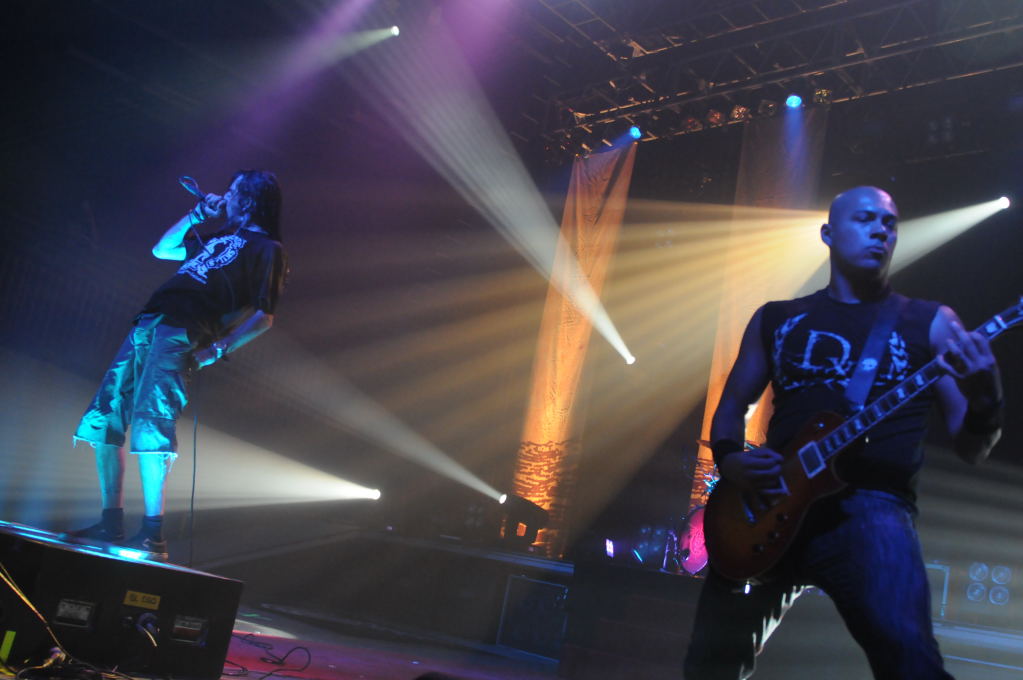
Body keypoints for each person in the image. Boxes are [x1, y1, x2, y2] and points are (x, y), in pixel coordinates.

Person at [684, 186, 1003, 679]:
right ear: (828, 233)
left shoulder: (931, 323)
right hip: (769, 500)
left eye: (890, 223)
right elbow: (729, 410)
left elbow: (972, 448)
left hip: (870, 507)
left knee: (912, 664)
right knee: (709, 669)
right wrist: (731, 460)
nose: (881, 231)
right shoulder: (777, 318)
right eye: (865, 219)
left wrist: (987, 398)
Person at [67, 170, 288, 561]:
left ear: (250, 200)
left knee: (153, 422)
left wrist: (217, 350)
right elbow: (162, 249)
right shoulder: (217, 236)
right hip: (149, 322)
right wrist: (197, 215)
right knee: (105, 415)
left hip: (184, 330)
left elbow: (263, 316)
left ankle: (153, 534)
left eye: (234, 191)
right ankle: (110, 522)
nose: (227, 196)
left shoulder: (268, 248)